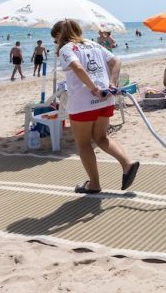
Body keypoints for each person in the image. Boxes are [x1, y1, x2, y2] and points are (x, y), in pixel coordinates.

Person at [51, 19, 139, 194]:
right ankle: (127, 164)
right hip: (105, 99)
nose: (56, 43)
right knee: (101, 138)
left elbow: (77, 67)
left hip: (83, 102)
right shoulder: (93, 44)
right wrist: (112, 83)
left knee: (84, 144)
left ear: (61, 35)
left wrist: (93, 89)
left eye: (55, 39)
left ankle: (94, 184)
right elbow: (116, 61)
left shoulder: (66, 48)